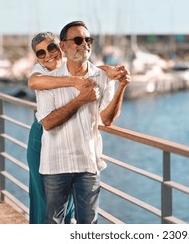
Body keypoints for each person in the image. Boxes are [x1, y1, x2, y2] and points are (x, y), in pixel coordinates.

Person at [35, 20, 130, 224]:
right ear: (63, 46)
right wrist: (80, 100)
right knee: (54, 223)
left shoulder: (103, 77)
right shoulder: (48, 78)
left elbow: (107, 119)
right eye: (78, 39)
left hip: (88, 163)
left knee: (89, 224)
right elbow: (48, 122)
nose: (84, 43)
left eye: (88, 39)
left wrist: (121, 86)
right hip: (55, 163)